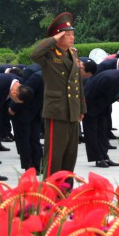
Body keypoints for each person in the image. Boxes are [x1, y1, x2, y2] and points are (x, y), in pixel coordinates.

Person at [31, 12, 86, 177]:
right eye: (67, 34)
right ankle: (50, 191)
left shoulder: (73, 53)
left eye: (72, 34)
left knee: (70, 155)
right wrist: (54, 39)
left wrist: (82, 107)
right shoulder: (49, 54)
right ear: (58, 36)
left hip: (72, 110)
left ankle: (65, 191)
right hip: (57, 110)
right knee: (55, 155)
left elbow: (78, 82)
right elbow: (34, 54)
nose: (71, 37)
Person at [83, 69, 119, 167]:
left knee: (103, 133)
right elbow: (89, 93)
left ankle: (104, 156)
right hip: (90, 107)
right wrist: (83, 109)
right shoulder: (108, 78)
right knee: (92, 133)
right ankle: (97, 158)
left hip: (103, 106)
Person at [12, 65, 45, 171]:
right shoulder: (50, 75)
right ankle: (39, 166)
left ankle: (29, 166)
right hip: (37, 110)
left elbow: (23, 93)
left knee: (25, 140)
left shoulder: (37, 75)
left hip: (25, 111)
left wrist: (13, 108)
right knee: (35, 139)